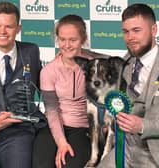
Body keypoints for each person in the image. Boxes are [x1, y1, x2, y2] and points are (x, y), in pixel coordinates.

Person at [97, 3, 159, 168]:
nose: (130, 37)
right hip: (125, 148)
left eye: (136, 30)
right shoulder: (125, 63)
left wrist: (143, 125)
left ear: (154, 30)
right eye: (126, 31)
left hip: (155, 153)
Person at [0, 2, 46, 168]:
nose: (2, 31)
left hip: (18, 134)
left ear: (18, 28)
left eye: (9, 26)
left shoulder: (31, 51)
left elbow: (44, 86)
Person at [33, 14, 92, 168]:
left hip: (82, 128)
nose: (67, 45)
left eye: (73, 40)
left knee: (71, 164)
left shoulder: (96, 64)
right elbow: (52, 111)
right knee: (42, 163)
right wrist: (61, 142)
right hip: (55, 125)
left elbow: (119, 63)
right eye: (62, 39)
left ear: (83, 39)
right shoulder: (48, 71)